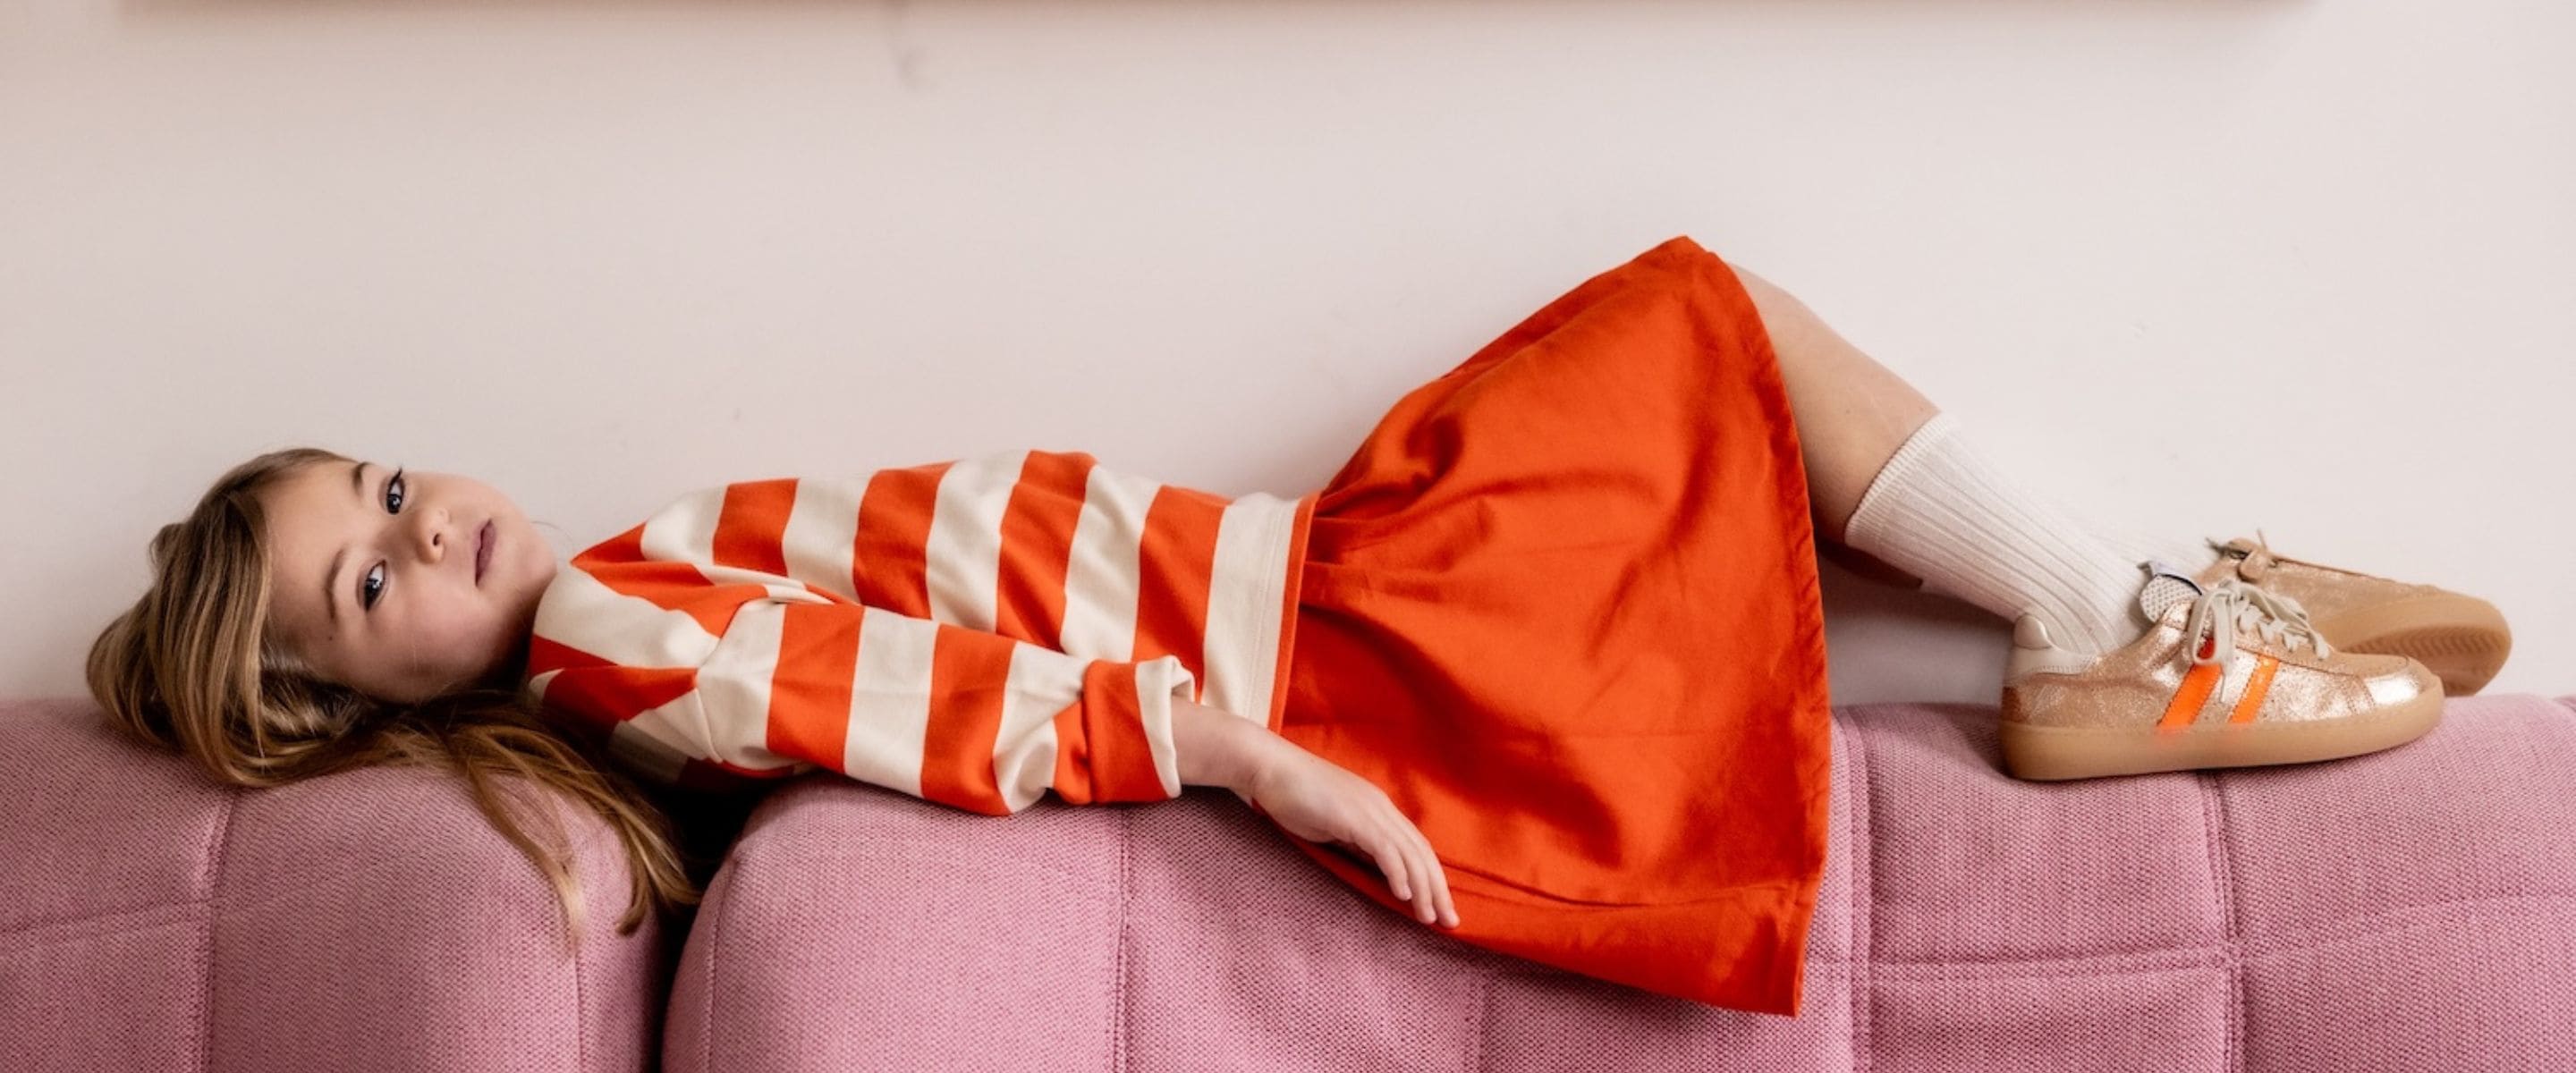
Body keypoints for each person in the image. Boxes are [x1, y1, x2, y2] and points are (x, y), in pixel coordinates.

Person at [86, 234, 2512, 1018]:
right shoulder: (613, 626)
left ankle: (2149, 604)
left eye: (389, 485)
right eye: (369, 579)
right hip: (1323, 624)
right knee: (1706, 323)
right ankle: (2135, 604)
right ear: (342, 685)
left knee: (1718, 424)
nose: (432, 531)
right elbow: (928, 698)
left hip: (1323, 602)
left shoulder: (617, 580)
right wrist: (1240, 754)